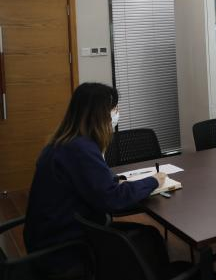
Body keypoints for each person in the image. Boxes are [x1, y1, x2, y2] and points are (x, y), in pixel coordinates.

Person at [24, 83, 169, 274]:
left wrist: (114, 182)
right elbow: (113, 199)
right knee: (150, 239)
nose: (117, 113)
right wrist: (154, 181)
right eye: (114, 108)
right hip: (64, 247)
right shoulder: (80, 149)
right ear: (99, 114)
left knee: (147, 237)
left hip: (49, 236)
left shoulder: (64, 143)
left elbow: (92, 183)